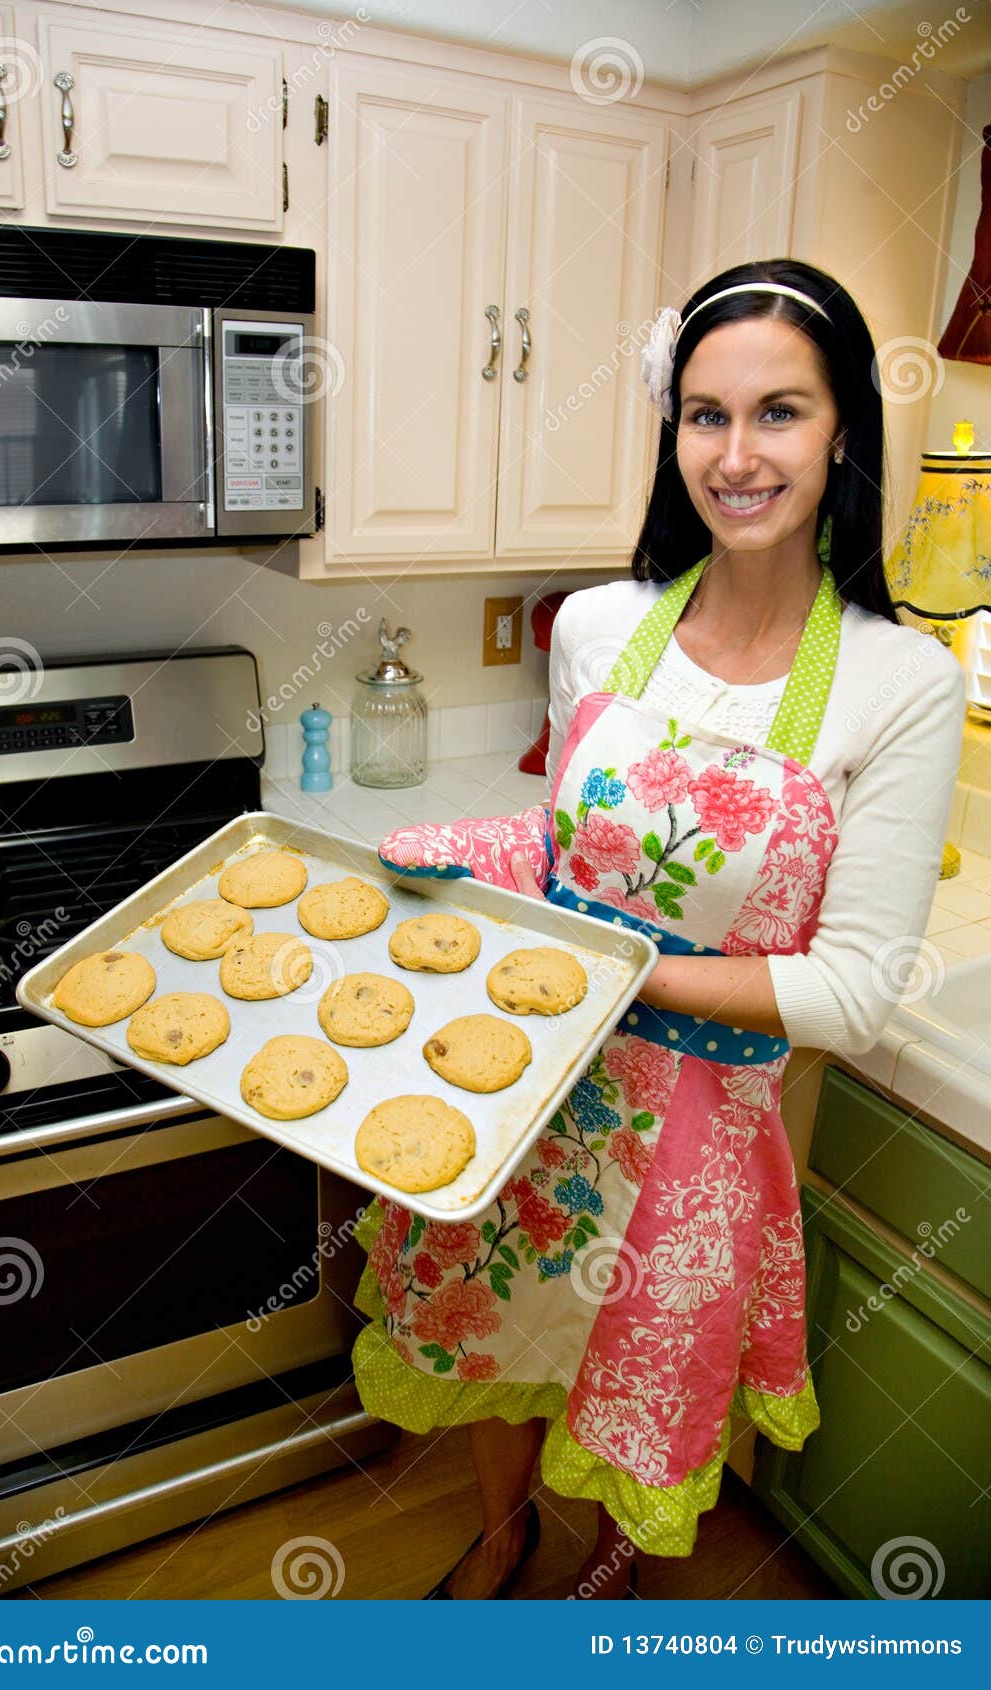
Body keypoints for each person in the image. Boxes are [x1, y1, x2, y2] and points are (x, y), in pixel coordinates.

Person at [350, 258, 966, 1600]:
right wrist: (447, 856)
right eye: (705, 415)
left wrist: (609, 972)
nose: (736, 456)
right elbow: (571, 844)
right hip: (531, 1085)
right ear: (671, 428)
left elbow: (854, 991)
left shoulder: (901, 680)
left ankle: (608, 1572)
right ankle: (504, 1535)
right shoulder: (598, 626)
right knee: (495, 1327)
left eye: (779, 412)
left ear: (845, 430)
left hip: (698, 1134)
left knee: (639, 1374)